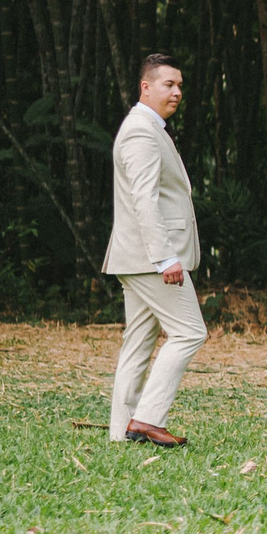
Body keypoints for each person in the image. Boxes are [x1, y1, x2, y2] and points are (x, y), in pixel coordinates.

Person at [102, 52, 204, 448]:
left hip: (136, 256)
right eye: (168, 84)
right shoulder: (142, 132)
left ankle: (120, 432)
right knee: (190, 333)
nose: (177, 92)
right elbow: (144, 200)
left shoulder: (149, 128)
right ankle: (146, 420)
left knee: (140, 342)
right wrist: (165, 257)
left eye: (179, 85)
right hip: (150, 258)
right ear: (146, 86)